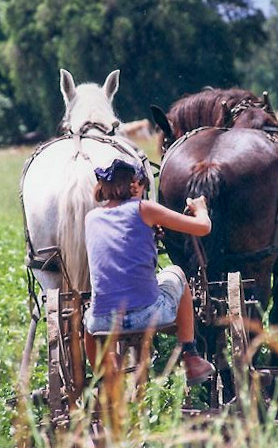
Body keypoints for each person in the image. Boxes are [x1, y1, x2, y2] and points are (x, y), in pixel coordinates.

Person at [84, 158, 215, 386]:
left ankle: (103, 376)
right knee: (176, 273)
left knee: (87, 322)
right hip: (148, 314)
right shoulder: (145, 208)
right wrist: (200, 209)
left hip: (103, 323)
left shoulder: (91, 218)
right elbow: (203, 228)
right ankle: (191, 356)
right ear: (134, 184)